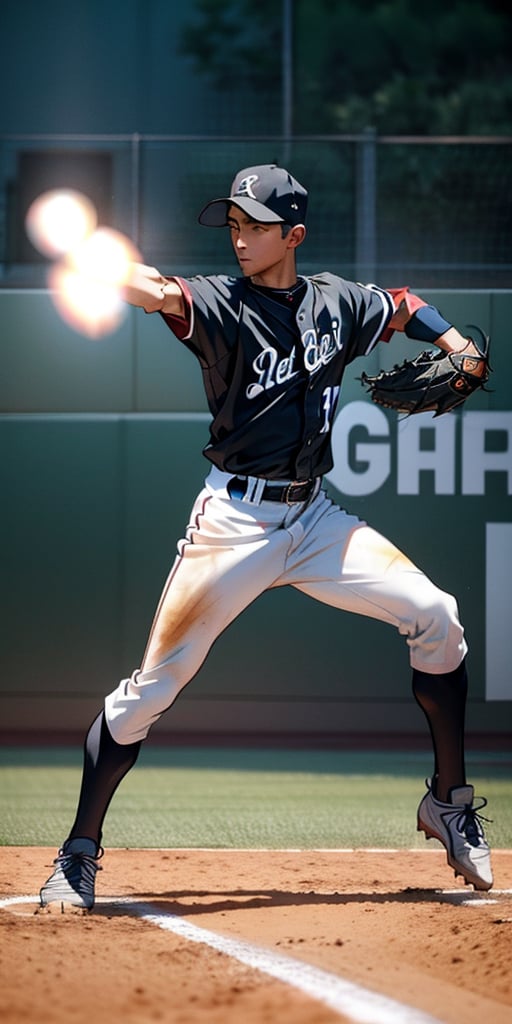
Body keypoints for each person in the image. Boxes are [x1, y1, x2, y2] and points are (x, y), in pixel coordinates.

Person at [40, 163, 493, 909]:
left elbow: (403, 305)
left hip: (314, 518)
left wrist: (458, 346)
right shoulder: (220, 304)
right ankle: (78, 853)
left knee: (438, 617)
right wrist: (95, 259)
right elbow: (157, 290)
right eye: (234, 223)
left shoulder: (338, 303)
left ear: (294, 235)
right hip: (235, 523)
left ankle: (448, 800)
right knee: (151, 691)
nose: (240, 235)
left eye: (255, 224)